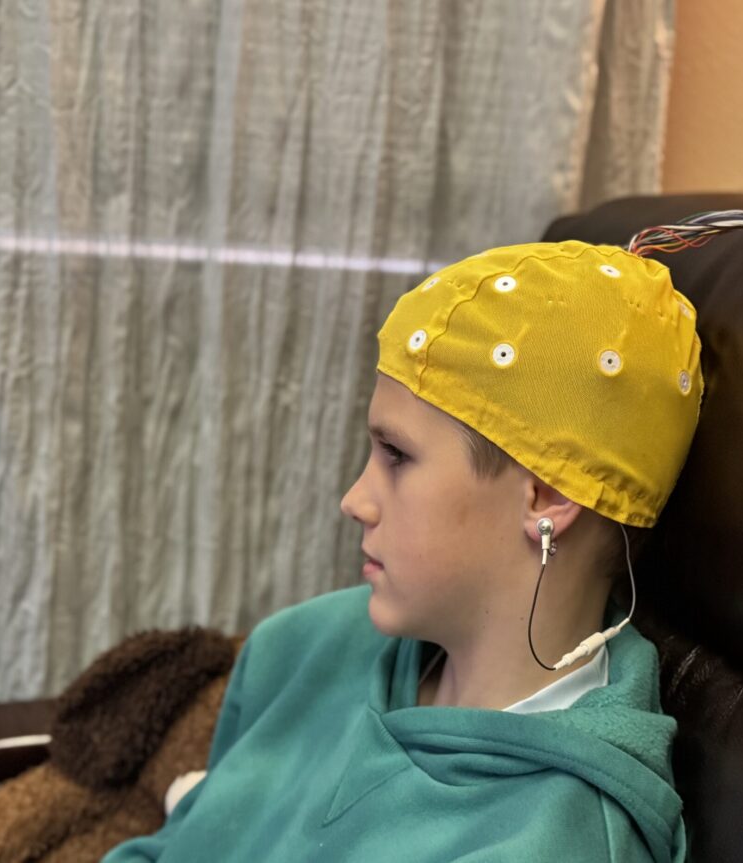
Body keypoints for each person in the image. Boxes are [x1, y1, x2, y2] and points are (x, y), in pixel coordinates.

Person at [101, 239, 702, 862]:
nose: (355, 499)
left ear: (545, 498)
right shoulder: (304, 646)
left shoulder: (553, 842)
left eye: (396, 456)